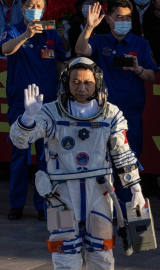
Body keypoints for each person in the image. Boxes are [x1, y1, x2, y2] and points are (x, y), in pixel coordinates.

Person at [8, 57, 146, 270]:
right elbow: (21, 141)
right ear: (66, 82)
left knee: (102, 253)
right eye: (75, 82)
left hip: (99, 191)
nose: (81, 88)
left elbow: (123, 153)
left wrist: (136, 189)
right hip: (61, 193)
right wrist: (28, 118)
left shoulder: (111, 113)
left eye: (87, 82)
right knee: (65, 253)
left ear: (97, 82)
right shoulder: (50, 113)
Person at [75, 0, 159, 215]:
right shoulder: (100, 40)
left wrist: (138, 69)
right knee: (102, 162)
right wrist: (90, 26)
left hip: (131, 113)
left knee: (128, 162)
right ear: (109, 19)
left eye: (128, 18)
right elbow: (80, 50)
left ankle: (126, 209)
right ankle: (104, 209)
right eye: (119, 17)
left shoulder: (141, 43)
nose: (124, 21)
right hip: (102, 114)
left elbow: (151, 75)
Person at [0, 0, 66, 221]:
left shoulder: (52, 34)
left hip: (48, 106)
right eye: (30, 4)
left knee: (46, 157)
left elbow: (61, 65)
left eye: (39, 4)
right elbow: (5, 49)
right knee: (20, 154)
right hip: (21, 104)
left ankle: (43, 204)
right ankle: (16, 204)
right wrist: (25, 36)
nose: (34, 8)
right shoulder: (13, 30)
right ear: (22, 8)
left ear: (45, 8)